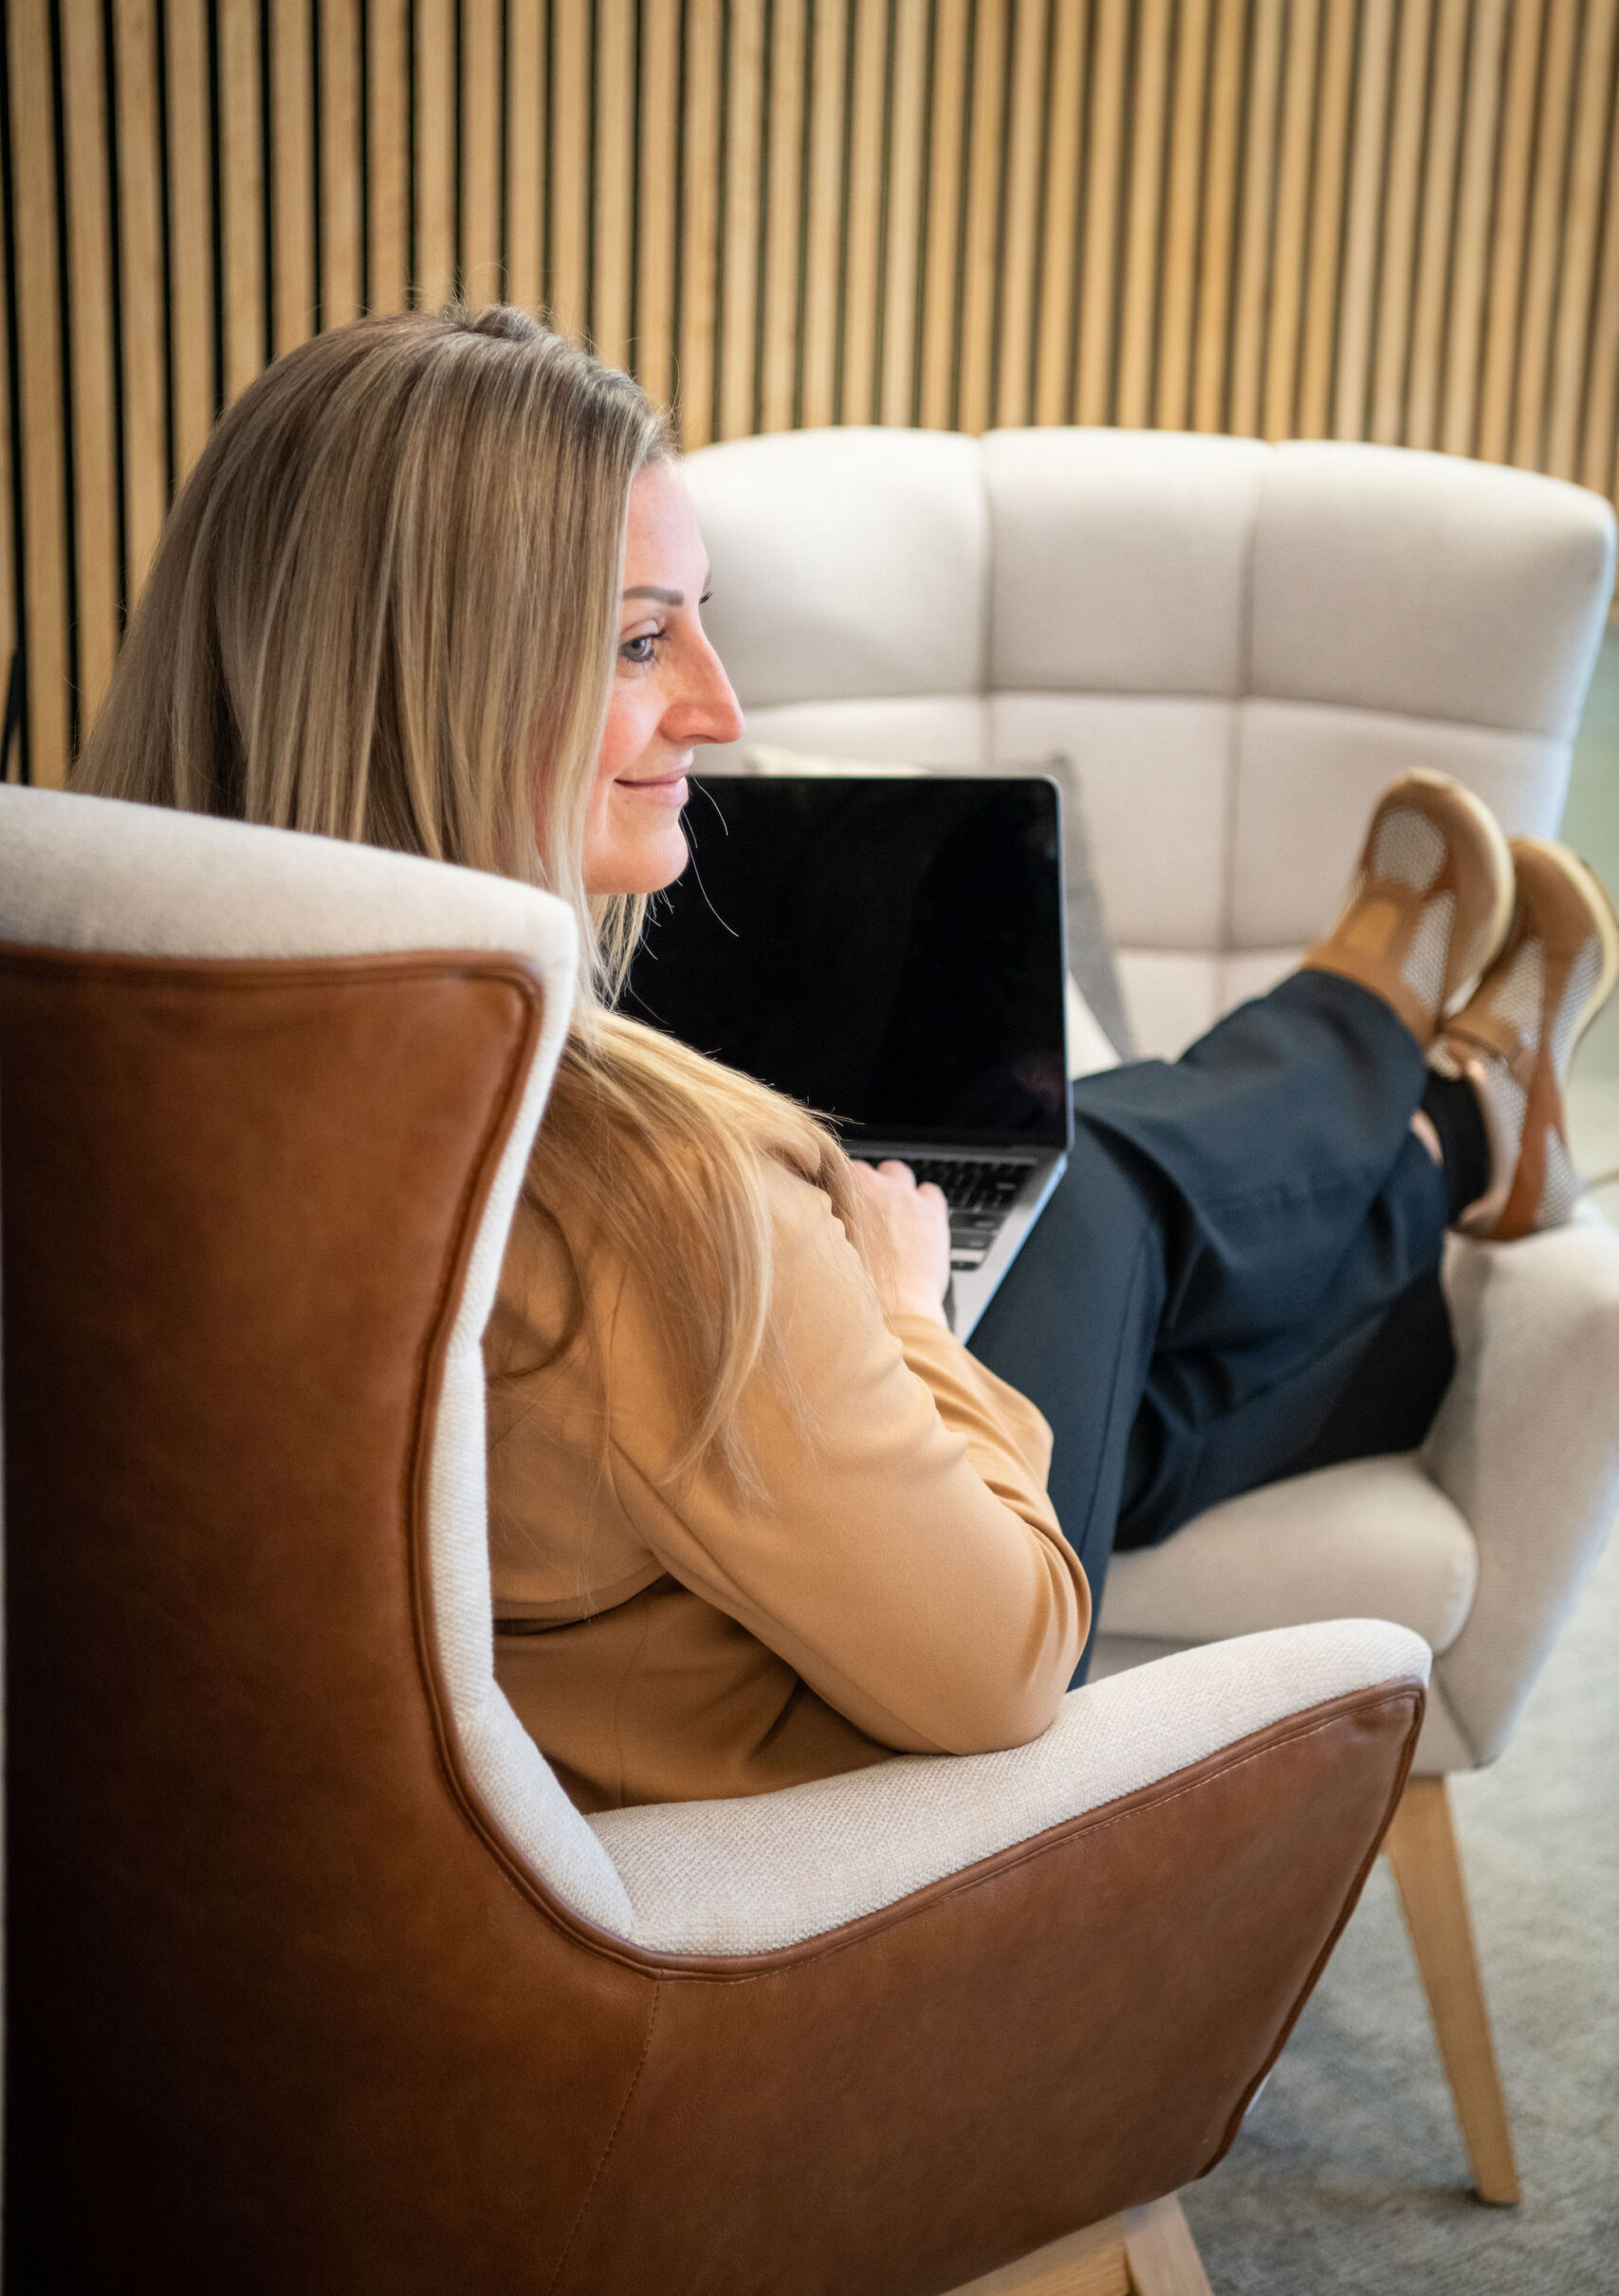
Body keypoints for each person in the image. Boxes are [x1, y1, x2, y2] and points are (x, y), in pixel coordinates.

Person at [71, 304, 1619, 1814]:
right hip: (826, 1843)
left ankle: (1427, 1142)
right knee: (1094, 1198)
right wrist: (896, 1312)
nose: (720, 706)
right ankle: (1422, 1098)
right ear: (428, 679)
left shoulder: (118, 1087)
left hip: (610, 1706)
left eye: (702, 618)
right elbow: (1010, 1661)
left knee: (1127, 1311)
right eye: (636, 640)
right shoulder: (657, 1209)